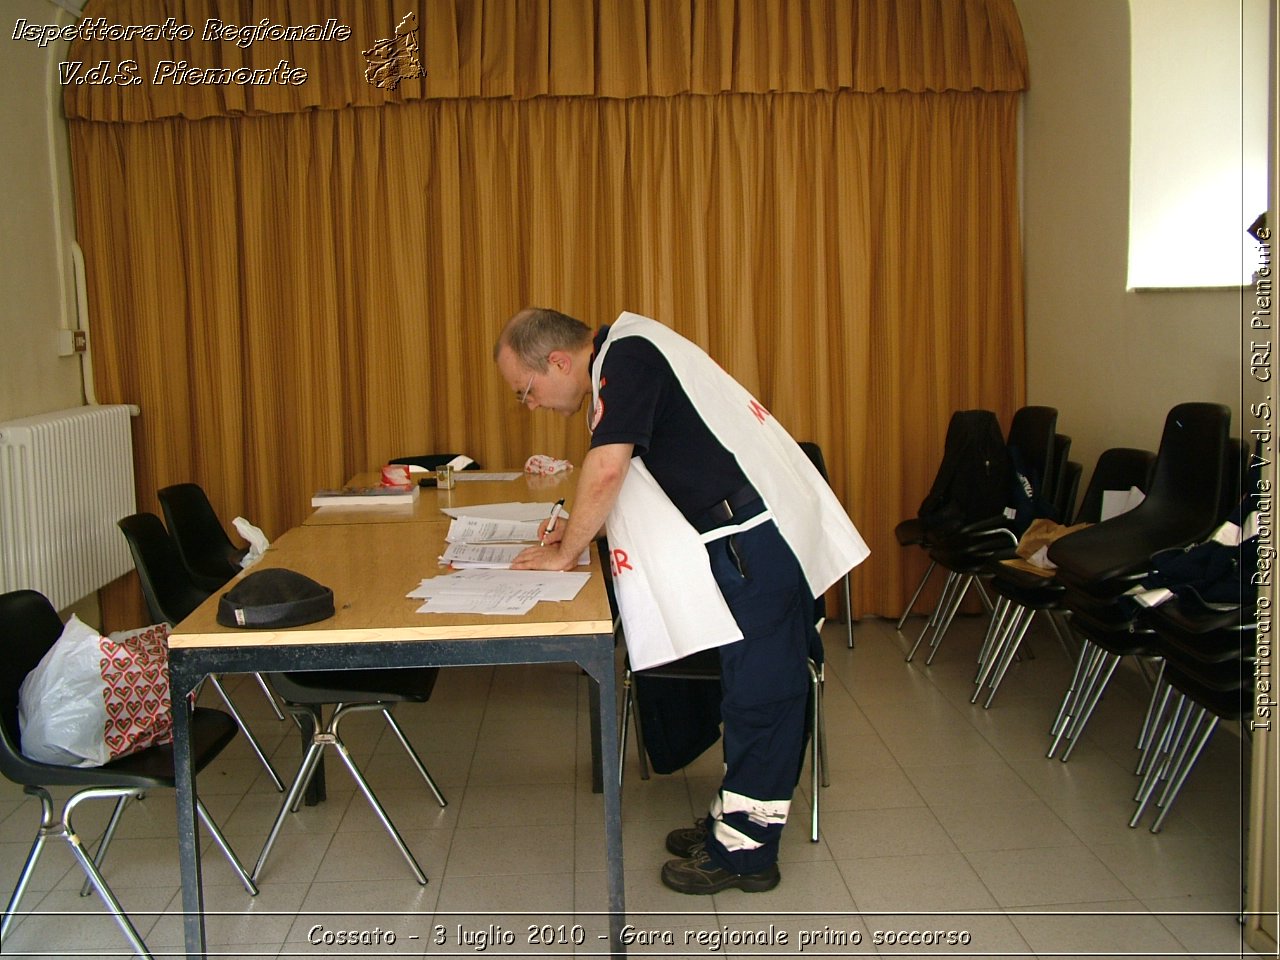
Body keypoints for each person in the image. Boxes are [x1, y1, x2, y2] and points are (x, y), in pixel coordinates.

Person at [494, 307, 868, 894]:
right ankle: (731, 823)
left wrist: (567, 552)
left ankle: (747, 855)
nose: (531, 403)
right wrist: (572, 527)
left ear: (559, 361)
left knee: (761, 699)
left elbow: (610, 467)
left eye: (527, 390)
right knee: (748, 693)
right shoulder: (628, 349)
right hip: (743, 540)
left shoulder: (627, 358)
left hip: (753, 545)